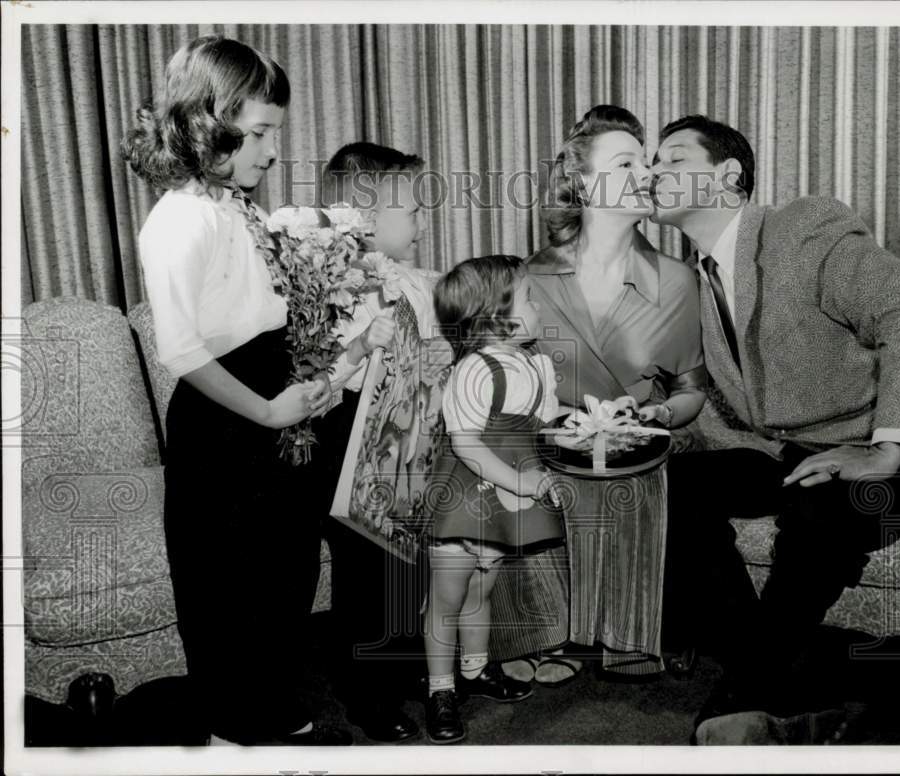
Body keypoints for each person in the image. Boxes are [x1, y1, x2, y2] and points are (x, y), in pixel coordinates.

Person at [649, 114, 900, 743]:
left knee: (818, 510)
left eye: (674, 160)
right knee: (665, 487)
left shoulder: (801, 230)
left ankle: (750, 690)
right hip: (792, 452)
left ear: (727, 176)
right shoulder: (700, 275)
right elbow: (748, 397)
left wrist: (886, 449)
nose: (654, 174)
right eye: (652, 163)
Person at [122, 35, 349, 745]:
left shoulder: (231, 203)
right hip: (226, 418)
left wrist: (314, 382)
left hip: (270, 399)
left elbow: (266, 311)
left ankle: (267, 707)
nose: (273, 150)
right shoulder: (179, 218)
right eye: (259, 133)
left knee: (283, 571)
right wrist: (266, 409)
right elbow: (181, 348)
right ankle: (235, 728)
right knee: (229, 583)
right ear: (206, 123)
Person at [521, 105, 706, 680]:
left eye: (646, 163)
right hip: (553, 444)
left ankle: (632, 633)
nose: (647, 174)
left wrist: (653, 414)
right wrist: (555, 415)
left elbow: (691, 391)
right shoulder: (530, 277)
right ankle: (545, 630)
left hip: (643, 448)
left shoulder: (677, 281)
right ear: (581, 183)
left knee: (642, 475)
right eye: (627, 162)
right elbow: (508, 382)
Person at [312, 142, 447, 743]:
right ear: (365, 220)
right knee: (367, 566)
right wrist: (362, 344)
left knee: (407, 558)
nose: (422, 221)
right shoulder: (332, 286)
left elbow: (429, 348)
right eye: (412, 211)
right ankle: (367, 691)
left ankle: (403, 657)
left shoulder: (413, 283)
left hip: (406, 432)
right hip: (348, 435)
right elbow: (319, 375)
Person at [422, 255, 567, 743]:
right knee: (448, 597)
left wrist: (593, 413)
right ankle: (440, 690)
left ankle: (475, 670)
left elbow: (543, 423)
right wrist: (521, 483)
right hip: (466, 496)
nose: (539, 303)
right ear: (493, 316)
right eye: (528, 297)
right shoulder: (474, 370)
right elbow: (465, 443)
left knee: (482, 590)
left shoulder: (535, 363)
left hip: (505, 499)